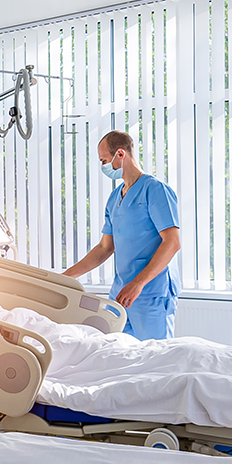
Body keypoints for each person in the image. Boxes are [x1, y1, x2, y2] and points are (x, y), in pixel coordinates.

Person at [62, 130, 181, 339]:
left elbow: (172, 243)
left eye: (104, 160)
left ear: (120, 154)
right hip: (121, 293)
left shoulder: (155, 190)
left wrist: (138, 284)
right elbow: (104, 248)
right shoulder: (114, 197)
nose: (103, 167)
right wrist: (64, 278)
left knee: (156, 359)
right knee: (119, 355)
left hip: (150, 292)